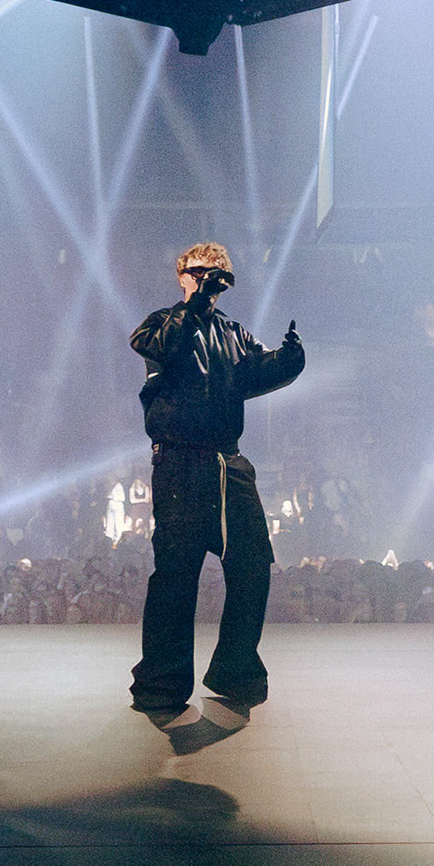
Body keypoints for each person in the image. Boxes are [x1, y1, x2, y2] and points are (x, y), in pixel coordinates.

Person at [128, 241, 304, 721]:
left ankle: (235, 670)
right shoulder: (161, 322)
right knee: (176, 574)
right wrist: (196, 305)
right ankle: (162, 683)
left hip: (229, 461)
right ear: (183, 276)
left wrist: (289, 360)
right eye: (198, 272)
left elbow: (256, 374)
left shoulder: (234, 333)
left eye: (215, 274)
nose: (206, 280)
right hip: (180, 462)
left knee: (253, 566)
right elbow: (160, 348)